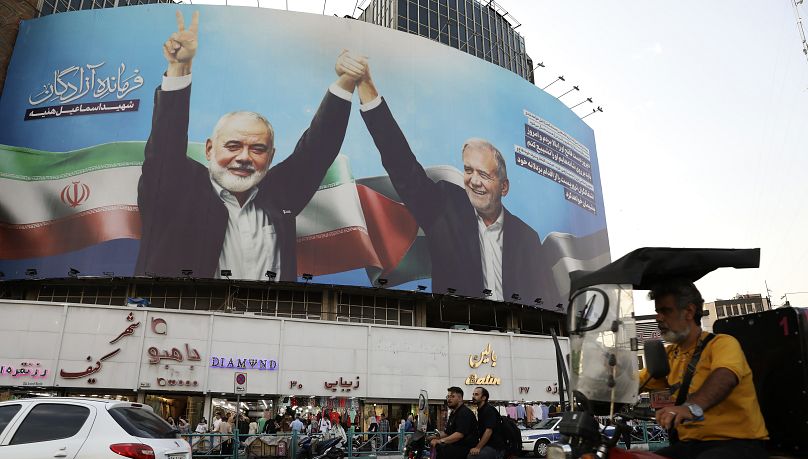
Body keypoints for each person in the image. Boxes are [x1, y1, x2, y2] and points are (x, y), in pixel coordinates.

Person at [135, 11, 367, 279]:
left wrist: (346, 80)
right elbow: (166, 145)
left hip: (269, 319)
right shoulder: (177, 188)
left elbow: (317, 150)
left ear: (271, 156)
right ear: (210, 149)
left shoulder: (279, 194)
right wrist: (179, 69)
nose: (244, 157)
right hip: (184, 316)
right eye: (233, 146)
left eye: (257, 149)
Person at [355, 64, 554, 302]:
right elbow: (403, 167)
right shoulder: (446, 207)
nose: (474, 181)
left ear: (504, 187)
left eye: (485, 174)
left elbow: (546, 298)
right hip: (456, 329)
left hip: (515, 331)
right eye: (469, 170)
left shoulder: (526, 238)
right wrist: (368, 92)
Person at [640, 279, 768, 459]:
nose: (658, 318)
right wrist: (601, 383)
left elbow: (725, 376)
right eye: (657, 312)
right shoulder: (670, 355)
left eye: (665, 311)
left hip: (738, 446)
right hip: (692, 448)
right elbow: (636, 382)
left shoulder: (722, 344)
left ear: (688, 312)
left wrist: (690, 407)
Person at [429, 387, 478, 459]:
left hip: (466, 448)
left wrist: (440, 441)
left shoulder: (464, 413)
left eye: (452, 396)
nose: (449, 399)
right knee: (438, 449)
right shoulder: (454, 413)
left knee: (442, 452)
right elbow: (447, 433)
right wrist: (433, 437)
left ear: (460, 398)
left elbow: (459, 434)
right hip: (458, 446)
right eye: (448, 396)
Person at [468, 386, 505, 459]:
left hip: (495, 448)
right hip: (489, 446)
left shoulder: (488, 410)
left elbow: (488, 431)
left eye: (476, 394)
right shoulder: (481, 410)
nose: (473, 396)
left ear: (483, 397)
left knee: (472, 457)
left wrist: (478, 447)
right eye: (473, 394)